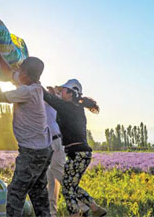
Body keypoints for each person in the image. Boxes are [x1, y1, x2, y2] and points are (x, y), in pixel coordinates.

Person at [0, 57, 53, 217]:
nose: (17, 72)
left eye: (21, 70)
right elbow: (11, 73)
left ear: (26, 75)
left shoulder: (27, 91)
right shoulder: (35, 86)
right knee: (38, 191)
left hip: (33, 152)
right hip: (44, 149)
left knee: (16, 193)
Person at [43, 79, 106, 217]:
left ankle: (79, 213)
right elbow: (54, 102)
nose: (61, 92)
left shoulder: (68, 107)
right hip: (80, 154)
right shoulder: (75, 107)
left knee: (67, 188)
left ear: (71, 93)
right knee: (71, 187)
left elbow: (46, 97)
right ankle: (95, 209)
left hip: (77, 154)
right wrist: (56, 94)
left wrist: (36, 83)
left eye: (64, 90)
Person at [45, 87, 89, 217]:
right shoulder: (58, 103)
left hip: (55, 142)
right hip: (49, 142)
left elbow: (44, 95)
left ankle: (84, 206)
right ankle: (52, 212)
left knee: (61, 175)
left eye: (60, 91)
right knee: (51, 179)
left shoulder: (58, 104)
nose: (57, 92)